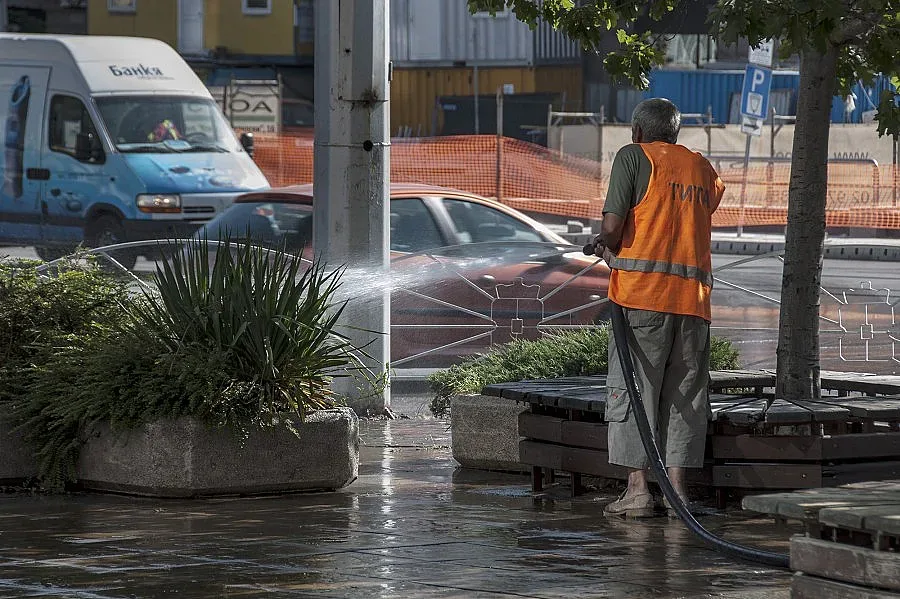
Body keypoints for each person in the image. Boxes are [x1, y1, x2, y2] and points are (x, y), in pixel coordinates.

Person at [588, 98, 725, 518]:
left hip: (640, 299)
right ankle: (678, 492)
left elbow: (614, 226)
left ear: (637, 132)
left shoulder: (633, 157)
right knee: (686, 396)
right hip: (693, 304)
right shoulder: (701, 168)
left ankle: (638, 491)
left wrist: (603, 242)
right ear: (676, 133)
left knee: (634, 392)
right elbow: (692, 214)